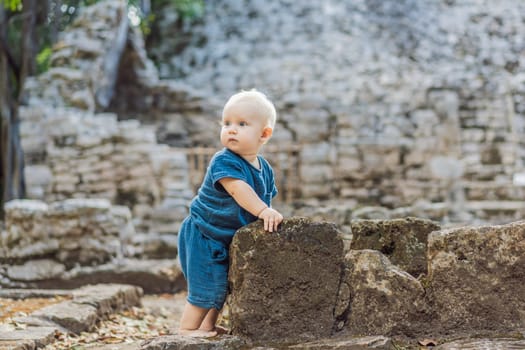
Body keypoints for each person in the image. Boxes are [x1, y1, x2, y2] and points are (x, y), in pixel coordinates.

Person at [177, 89, 284, 337]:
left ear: (264, 134)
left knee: (222, 285)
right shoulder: (223, 161)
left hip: (224, 237)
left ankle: (207, 326)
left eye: (241, 124)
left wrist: (268, 215)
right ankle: (186, 328)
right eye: (226, 123)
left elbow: (264, 196)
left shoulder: (264, 168)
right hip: (204, 232)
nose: (231, 129)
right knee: (207, 283)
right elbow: (239, 190)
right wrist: (263, 211)